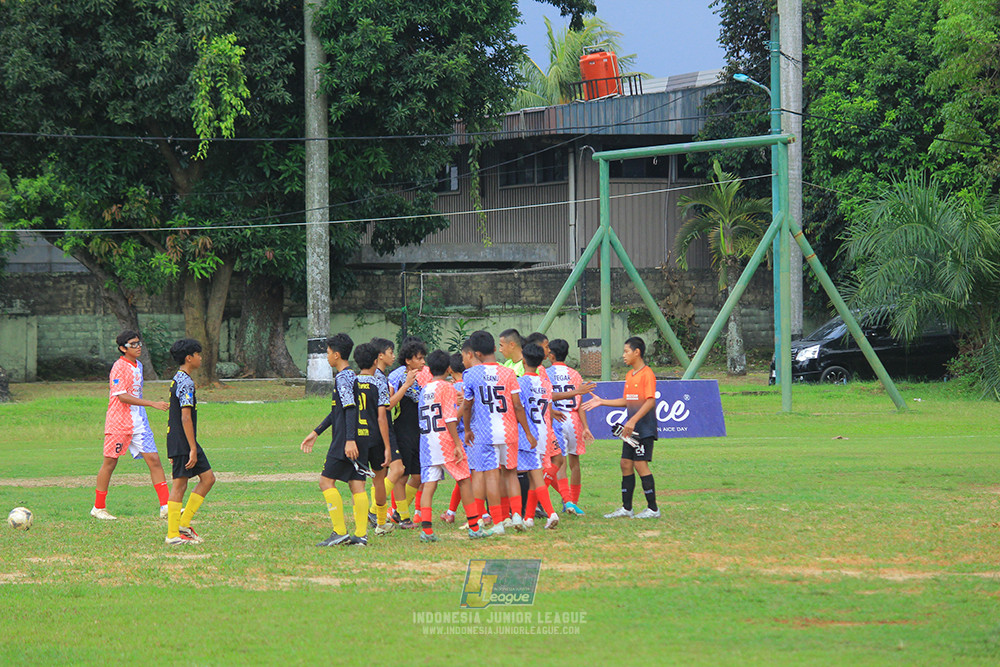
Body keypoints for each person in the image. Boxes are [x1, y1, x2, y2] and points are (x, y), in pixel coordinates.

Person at [460, 330, 536, 536]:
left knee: (492, 475)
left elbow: (467, 406)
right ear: (494, 348)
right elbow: (518, 406)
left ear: (476, 354)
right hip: (509, 430)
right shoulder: (509, 373)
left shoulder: (471, 375)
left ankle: (498, 523)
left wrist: (467, 429)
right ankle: (517, 516)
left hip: (485, 432)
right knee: (511, 473)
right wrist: (527, 433)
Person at [91, 330, 170, 521]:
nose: (138, 347)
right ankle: (98, 508)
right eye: (133, 344)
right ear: (122, 348)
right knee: (110, 463)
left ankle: (166, 506)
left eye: (139, 343)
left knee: (154, 460)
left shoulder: (139, 365)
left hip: (139, 422)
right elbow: (122, 396)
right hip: (119, 422)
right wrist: (152, 403)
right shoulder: (118, 367)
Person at [299, 333, 369, 546]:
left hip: (345, 439)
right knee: (357, 484)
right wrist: (316, 431)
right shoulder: (352, 376)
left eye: (328, 353)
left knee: (325, 481)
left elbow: (348, 409)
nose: (327, 357)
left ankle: (339, 532)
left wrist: (349, 440)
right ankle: (361, 535)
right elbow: (337, 411)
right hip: (361, 436)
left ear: (337, 355)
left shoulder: (342, 378)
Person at [582, 336, 660, 519]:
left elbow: (650, 401)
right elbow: (627, 400)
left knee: (641, 464)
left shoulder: (647, 374)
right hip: (630, 430)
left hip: (644, 428)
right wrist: (601, 402)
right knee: (625, 464)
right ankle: (627, 508)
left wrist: (633, 421)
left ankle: (653, 509)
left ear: (637, 352)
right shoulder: (630, 375)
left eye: (626, 351)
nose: (623, 355)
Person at [416, 350, 487, 541]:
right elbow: (449, 419)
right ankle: (474, 526)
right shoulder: (447, 387)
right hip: (444, 439)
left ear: (429, 368)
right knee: (464, 479)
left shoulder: (425, 389)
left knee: (429, 484)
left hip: (427, 441)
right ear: (448, 368)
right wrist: (457, 443)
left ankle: (427, 530)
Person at [164, 339, 216, 545]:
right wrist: (192, 448)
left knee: (208, 478)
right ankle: (172, 535)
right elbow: (185, 417)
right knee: (179, 485)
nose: (201, 357)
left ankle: (183, 525)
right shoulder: (185, 382)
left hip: (184, 440)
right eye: (198, 354)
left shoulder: (179, 378)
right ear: (189, 358)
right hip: (184, 442)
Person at [548, 338, 595, 515]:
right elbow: (580, 402)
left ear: (551, 355)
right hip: (574, 419)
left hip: (557, 418)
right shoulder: (575, 374)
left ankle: (567, 501)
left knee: (560, 463)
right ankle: (573, 501)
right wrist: (585, 427)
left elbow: (545, 396)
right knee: (575, 463)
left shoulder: (546, 373)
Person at [516, 343, 560, 529]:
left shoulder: (520, 383)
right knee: (535, 476)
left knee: (535, 475)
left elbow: (517, 408)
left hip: (529, 433)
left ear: (524, 360)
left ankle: (551, 513)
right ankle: (529, 517)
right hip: (543, 430)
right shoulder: (545, 383)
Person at [387, 337, 430, 528]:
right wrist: (406, 385)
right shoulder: (396, 376)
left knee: (419, 476)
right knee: (402, 474)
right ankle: (404, 517)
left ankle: (397, 512)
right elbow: (389, 404)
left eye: (423, 358)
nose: (423, 362)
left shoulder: (426, 375)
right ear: (408, 360)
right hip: (403, 429)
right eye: (419, 359)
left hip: (421, 431)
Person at [354, 343, 394, 538]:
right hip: (375, 438)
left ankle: (360, 528)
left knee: (358, 483)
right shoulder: (379, 383)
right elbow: (381, 417)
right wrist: (388, 446)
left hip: (357, 439)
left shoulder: (351, 382)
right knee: (379, 480)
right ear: (375, 361)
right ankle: (380, 523)